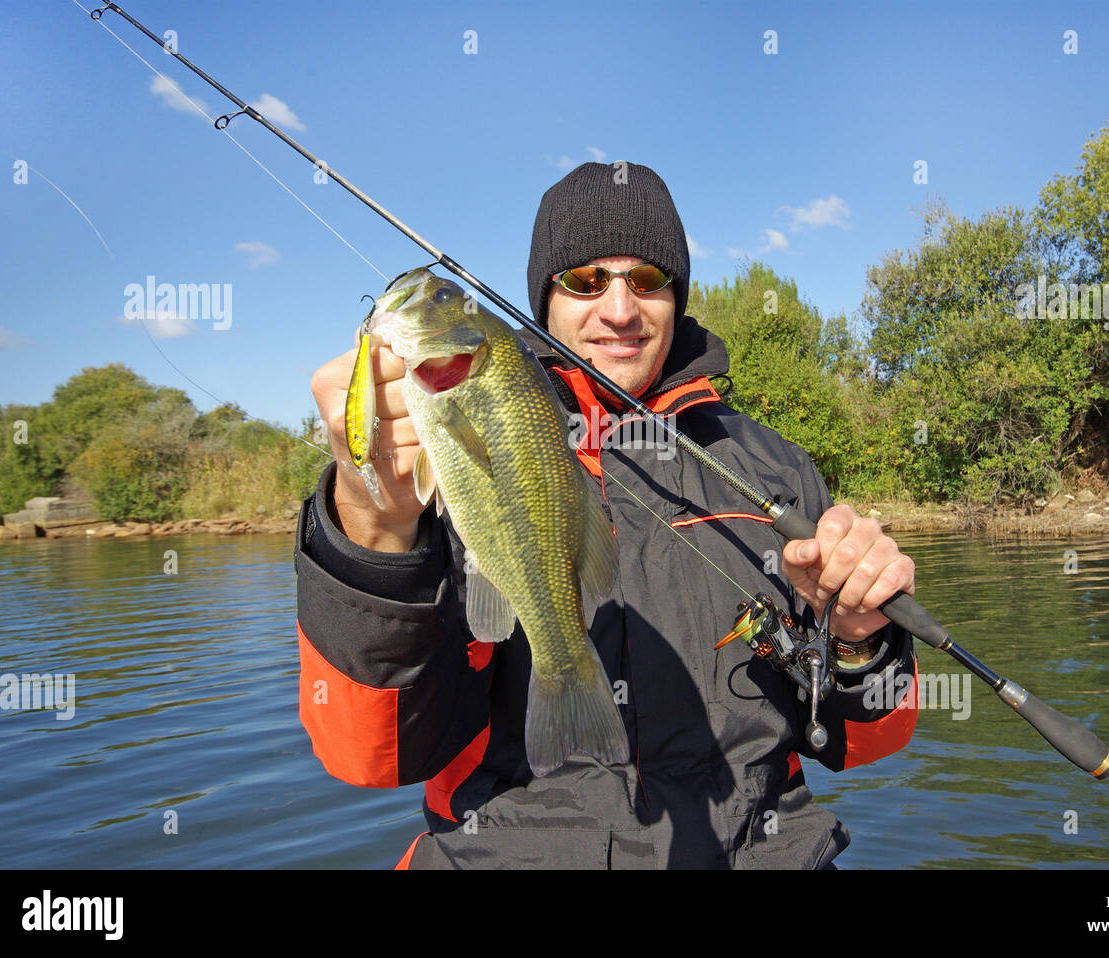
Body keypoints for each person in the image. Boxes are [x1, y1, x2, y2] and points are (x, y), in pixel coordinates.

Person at [296, 162, 920, 869]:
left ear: (677, 297)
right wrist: (371, 525)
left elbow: (865, 741)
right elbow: (371, 755)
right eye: (586, 281)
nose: (619, 310)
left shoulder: (776, 468)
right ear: (544, 301)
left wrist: (864, 639)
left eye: (647, 280)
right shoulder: (419, 466)